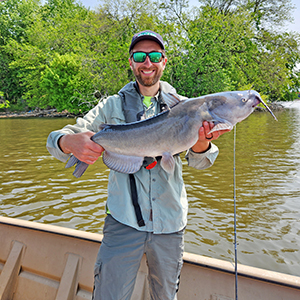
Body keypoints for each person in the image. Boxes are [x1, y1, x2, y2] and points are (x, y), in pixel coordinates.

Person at [46, 30, 229, 300]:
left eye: (155, 56)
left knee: (165, 297)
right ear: (131, 62)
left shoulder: (187, 108)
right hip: (122, 222)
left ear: (164, 62)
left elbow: (201, 163)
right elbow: (56, 140)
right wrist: (66, 142)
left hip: (170, 224)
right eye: (140, 56)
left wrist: (201, 143)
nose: (147, 62)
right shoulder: (110, 106)